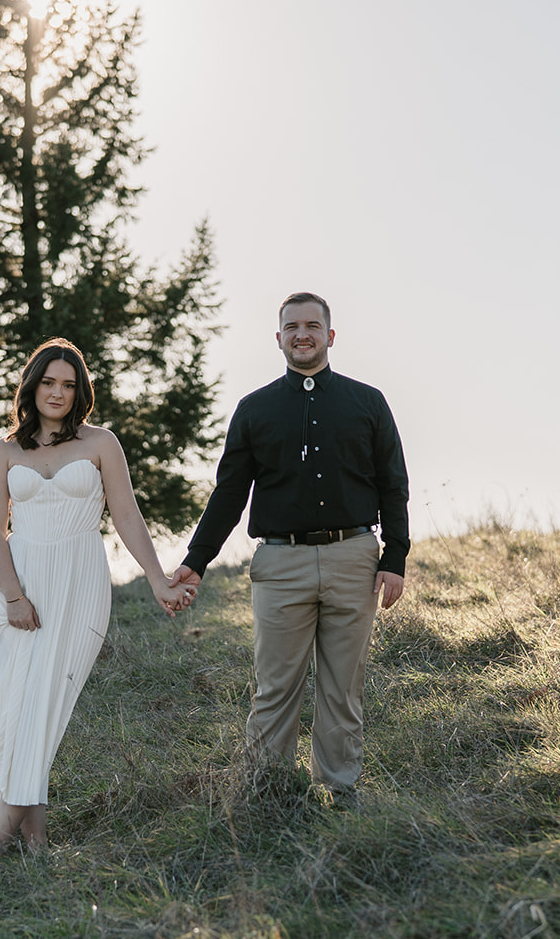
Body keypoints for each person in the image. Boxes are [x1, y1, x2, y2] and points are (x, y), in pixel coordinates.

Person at [171, 292, 408, 799]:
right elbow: (230, 492)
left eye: (312, 326)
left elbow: (394, 484)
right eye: (292, 327)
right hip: (279, 564)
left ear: (330, 335)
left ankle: (339, 792)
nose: (303, 334)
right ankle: (266, 794)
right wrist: (197, 560)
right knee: (275, 687)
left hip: (354, 559)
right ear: (278, 338)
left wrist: (395, 558)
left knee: (342, 689)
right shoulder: (255, 409)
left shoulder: (367, 402)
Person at [0, 338, 194, 855]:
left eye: (69, 385)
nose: (58, 392)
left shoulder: (101, 444)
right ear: (32, 387)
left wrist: (158, 579)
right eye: (49, 382)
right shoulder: (5, 451)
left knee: (46, 704)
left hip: (79, 584)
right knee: (24, 705)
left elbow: (127, 516)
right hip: (18, 587)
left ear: (81, 393)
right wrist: (12, 597)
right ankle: (36, 845)